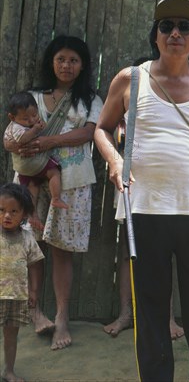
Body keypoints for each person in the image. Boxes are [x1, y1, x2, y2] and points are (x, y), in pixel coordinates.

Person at [94, 0, 189, 381]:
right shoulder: (131, 79)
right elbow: (101, 128)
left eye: (185, 27)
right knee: (151, 307)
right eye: (167, 26)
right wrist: (114, 160)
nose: (175, 33)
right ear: (156, 36)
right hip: (145, 210)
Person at [3, 35, 103, 350]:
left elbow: (89, 132)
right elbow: (12, 134)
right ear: (52, 61)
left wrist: (49, 142)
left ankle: (61, 316)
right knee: (28, 246)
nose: (66, 65)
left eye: (74, 60)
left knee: (62, 249)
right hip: (30, 179)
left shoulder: (90, 99)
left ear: (83, 65)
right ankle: (34, 311)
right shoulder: (31, 97)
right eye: (61, 59)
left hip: (71, 180)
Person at [102, 56, 184, 340]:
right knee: (128, 251)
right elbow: (106, 134)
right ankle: (127, 313)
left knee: (167, 251)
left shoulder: (176, 102)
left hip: (167, 186)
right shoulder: (125, 102)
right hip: (131, 183)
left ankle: (167, 317)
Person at [4, 92, 69, 230]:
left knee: (32, 190)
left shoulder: (25, 122)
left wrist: (40, 125)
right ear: (12, 117)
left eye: (34, 115)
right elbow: (23, 139)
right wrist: (35, 129)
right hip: (31, 162)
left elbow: (42, 127)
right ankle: (56, 198)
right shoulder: (15, 127)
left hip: (24, 169)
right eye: (26, 118)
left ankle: (33, 216)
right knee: (54, 173)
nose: (32, 120)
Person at [0, 183, 45, 382]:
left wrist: (34, 291)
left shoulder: (27, 239)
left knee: (11, 337)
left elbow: (35, 265)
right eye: (1, 210)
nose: (7, 215)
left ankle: (9, 371)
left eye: (13, 211)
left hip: (17, 297)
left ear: (24, 214)